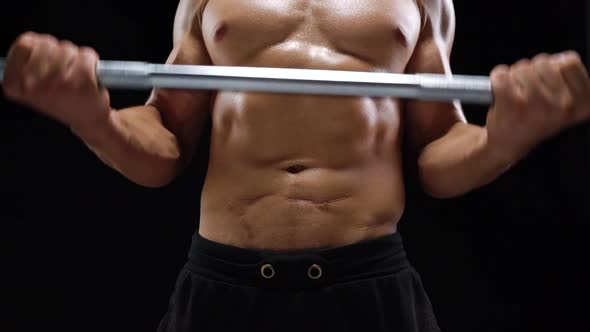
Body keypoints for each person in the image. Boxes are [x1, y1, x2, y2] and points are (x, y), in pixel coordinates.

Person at [2, 0, 589, 331]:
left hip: (366, 284)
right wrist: (94, 119)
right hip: (224, 284)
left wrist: (506, 140)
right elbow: (165, 144)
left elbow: (438, 155)